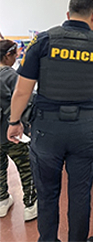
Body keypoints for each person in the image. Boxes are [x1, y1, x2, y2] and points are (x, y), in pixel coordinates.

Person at [7, 0, 93, 242]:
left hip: (46, 131)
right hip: (85, 130)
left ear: (68, 15)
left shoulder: (43, 41)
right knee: (80, 194)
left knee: (47, 193)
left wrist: (14, 122)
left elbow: (22, 91)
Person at [0, 39, 37, 221]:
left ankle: (1, 201)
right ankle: (30, 204)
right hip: (10, 133)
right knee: (26, 166)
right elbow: (24, 99)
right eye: (15, 55)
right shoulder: (11, 76)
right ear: (8, 56)